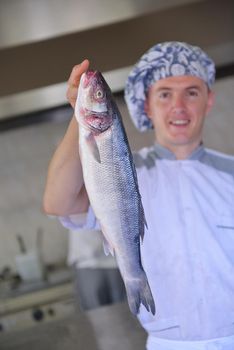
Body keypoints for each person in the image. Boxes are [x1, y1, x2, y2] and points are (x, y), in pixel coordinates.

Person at [43, 42, 234, 349]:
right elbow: (58, 203)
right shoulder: (122, 172)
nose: (179, 106)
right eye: (165, 94)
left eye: (192, 92)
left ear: (208, 101)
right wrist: (79, 112)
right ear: (146, 104)